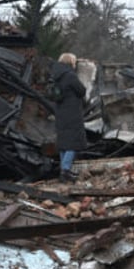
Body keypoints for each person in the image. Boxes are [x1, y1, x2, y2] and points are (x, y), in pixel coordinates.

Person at [50, 52, 87, 182]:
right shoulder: (70, 75)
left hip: (60, 112)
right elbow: (82, 90)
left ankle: (63, 169)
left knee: (63, 143)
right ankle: (65, 170)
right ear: (71, 62)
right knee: (73, 142)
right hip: (72, 113)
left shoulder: (55, 76)